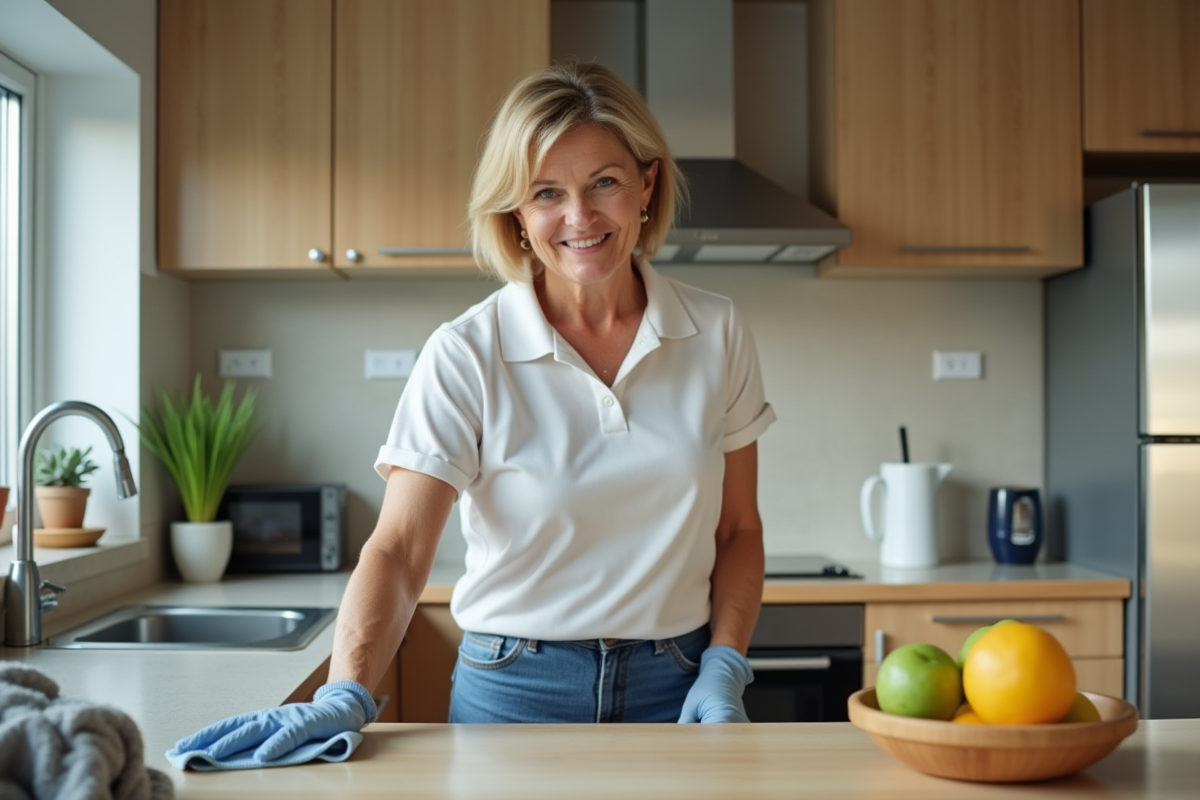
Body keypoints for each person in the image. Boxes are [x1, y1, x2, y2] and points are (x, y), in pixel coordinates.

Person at [172, 62, 775, 763]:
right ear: (516, 213)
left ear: (646, 184)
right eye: (547, 192)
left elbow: (739, 529)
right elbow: (398, 552)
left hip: (679, 687)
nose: (579, 217)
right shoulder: (466, 351)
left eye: (603, 182)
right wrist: (345, 691)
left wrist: (725, 663)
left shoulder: (718, 331)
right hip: (517, 693)